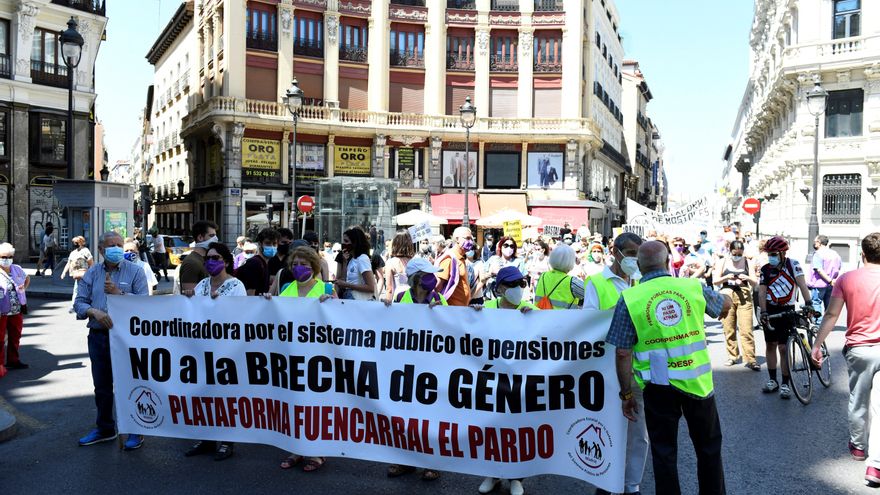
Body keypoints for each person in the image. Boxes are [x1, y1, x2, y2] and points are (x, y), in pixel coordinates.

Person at [608, 241, 731, 495]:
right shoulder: (692, 287)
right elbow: (724, 306)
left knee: (664, 453)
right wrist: (727, 296)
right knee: (708, 449)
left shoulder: (630, 298)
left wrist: (626, 394)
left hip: (658, 386)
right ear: (667, 263)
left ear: (639, 266)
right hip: (697, 382)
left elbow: (622, 352)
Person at [810, 233, 880, 484]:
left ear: (862, 254)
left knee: (858, 400)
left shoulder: (847, 279)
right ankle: (876, 466)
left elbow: (831, 315)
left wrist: (816, 345)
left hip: (859, 349)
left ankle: (859, 447)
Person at [582, 233, 646, 495]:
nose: (634, 260)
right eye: (630, 254)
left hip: (639, 370)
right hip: (607, 369)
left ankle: (631, 485)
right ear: (615, 252)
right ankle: (606, 482)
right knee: (605, 429)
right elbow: (588, 324)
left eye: (638, 255)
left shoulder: (642, 281)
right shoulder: (596, 283)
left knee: (638, 434)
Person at [73, 231, 148, 450]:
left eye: (118, 244)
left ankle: (136, 429)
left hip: (128, 338)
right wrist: (93, 312)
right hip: (99, 337)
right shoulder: (92, 273)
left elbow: (145, 305)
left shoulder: (136, 271)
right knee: (102, 386)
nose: (116, 248)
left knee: (131, 385)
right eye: (111, 245)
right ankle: (105, 428)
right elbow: (79, 302)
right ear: (100, 250)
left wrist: (118, 293)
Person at [473, 266, 535, 495]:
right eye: (511, 284)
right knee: (491, 427)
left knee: (517, 429)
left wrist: (535, 319)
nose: (517, 288)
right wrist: (473, 314)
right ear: (499, 288)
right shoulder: (487, 308)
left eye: (520, 283)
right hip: (491, 380)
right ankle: (493, 474)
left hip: (519, 382)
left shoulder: (531, 309)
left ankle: (516, 478)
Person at [182, 242, 243, 461]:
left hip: (226, 351)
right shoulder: (202, 285)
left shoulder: (236, 286)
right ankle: (207, 438)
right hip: (202, 350)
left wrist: (223, 305)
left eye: (216, 258)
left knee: (225, 396)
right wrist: (189, 298)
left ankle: (227, 440)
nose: (211, 262)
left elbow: (242, 317)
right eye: (208, 258)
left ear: (226, 261)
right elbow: (192, 314)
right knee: (204, 395)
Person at [385, 257, 444, 481]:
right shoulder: (401, 298)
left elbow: (451, 329)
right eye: (428, 275)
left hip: (431, 367)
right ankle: (405, 461)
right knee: (405, 415)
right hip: (406, 366)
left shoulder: (439, 299)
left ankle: (431, 462)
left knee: (430, 417)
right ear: (417, 279)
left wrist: (440, 314)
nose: (433, 278)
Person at [275, 245, 334, 471]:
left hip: (318, 355)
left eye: (304, 264)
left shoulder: (325, 288)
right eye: (295, 264)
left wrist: (331, 303)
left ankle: (318, 451)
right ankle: (297, 448)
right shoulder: (287, 288)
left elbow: (340, 319)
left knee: (315, 404)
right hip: (291, 354)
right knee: (294, 402)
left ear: (314, 266)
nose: (298, 268)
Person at [757, 236, 813, 399]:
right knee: (770, 345)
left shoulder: (793, 265)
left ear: (782, 253)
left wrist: (809, 303)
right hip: (770, 310)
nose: (771, 257)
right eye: (769, 254)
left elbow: (802, 284)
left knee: (783, 347)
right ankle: (772, 380)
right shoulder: (765, 269)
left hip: (787, 310)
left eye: (774, 254)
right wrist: (763, 312)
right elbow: (762, 292)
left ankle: (785, 383)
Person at [713, 240, 759, 370]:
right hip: (727, 295)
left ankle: (751, 359)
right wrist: (727, 277)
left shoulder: (748, 262)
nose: (737, 256)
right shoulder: (722, 261)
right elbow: (715, 281)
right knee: (729, 328)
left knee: (746, 329)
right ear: (730, 251)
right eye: (734, 254)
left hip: (744, 295)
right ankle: (732, 356)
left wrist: (747, 278)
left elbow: (755, 282)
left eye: (740, 254)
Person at [0, 243, 30, 375]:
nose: (7, 259)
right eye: (3, 257)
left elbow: (27, 278)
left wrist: (23, 290)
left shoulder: (16, 269)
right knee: (0, 338)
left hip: (16, 310)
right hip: (2, 311)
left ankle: (13, 360)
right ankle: (0, 364)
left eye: (9, 257)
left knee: (15, 336)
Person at [534, 243, 583, 310]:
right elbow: (591, 293)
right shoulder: (572, 282)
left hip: (541, 315)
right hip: (564, 317)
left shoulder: (543, 276)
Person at [334, 227, 376, 300]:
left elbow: (370, 287)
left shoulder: (362, 258)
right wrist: (344, 262)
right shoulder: (352, 260)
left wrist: (347, 285)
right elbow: (344, 280)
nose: (343, 244)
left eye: (346, 241)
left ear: (355, 243)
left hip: (358, 300)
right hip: (350, 297)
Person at [435, 227, 473, 307]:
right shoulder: (450, 258)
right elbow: (438, 286)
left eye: (471, 239)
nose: (470, 242)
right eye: (467, 238)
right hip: (451, 310)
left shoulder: (461, 258)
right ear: (457, 239)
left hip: (461, 309)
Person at [178, 220, 218, 294]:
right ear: (200, 237)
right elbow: (191, 295)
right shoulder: (191, 263)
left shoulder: (209, 260)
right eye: (211, 236)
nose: (216, 239)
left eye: (215, 235)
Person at [808, 235, 842, 318]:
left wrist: (829, 280)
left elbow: (819, 270)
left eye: (815, 242)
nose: (814, 244)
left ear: (819, 243)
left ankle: (818, 322)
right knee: (829, 305)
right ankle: (828, 322)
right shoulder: (835, 254)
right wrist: (832, 280)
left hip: (819, 284)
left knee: (816, 303)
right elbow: (840, 267)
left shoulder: (818, 254)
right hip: (832, 284)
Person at [61, 236, 94, 312]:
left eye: (76, 242)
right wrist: (63, 272)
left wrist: (92, 273)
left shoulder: (86, 251)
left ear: (81, 242)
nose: (74, 244)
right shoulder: (73, 253)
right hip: (76, 275)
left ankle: (85, 305)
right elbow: (69, 263)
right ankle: (74, 306)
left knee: (83, 290)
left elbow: (91, 263)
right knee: (76, 290)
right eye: (73, 242)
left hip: (85, 275)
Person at [384, 231, 415, 302]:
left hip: (398, 300)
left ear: (395, 243)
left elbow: (389, 289)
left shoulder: (390, 263)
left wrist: (388, 302)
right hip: (414, 300)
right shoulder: (416, 261)